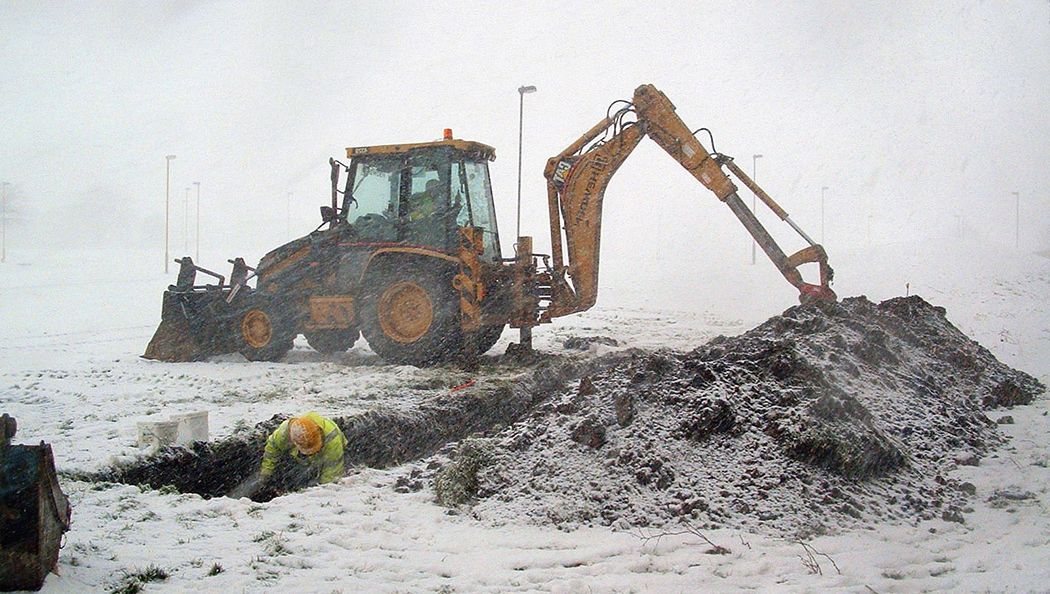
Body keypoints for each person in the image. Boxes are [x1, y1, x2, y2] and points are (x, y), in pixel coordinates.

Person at [259, 412, 347, 486]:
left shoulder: (333, 441)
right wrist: (267, 471)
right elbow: (272, 449)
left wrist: (321, 491)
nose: (310, 453)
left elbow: (331, 474)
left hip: (332, 451)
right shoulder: (284, 433)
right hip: (298, 455)